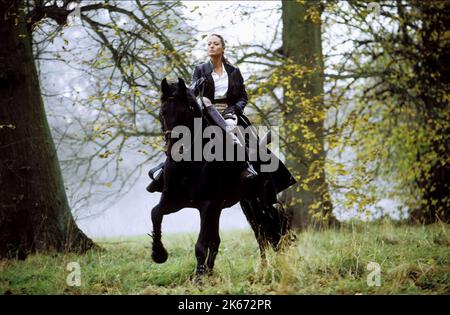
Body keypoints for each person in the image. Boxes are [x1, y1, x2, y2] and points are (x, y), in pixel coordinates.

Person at [147, 34, 257, 193]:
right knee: (183, 131)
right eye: (209, 44)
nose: (211, 46)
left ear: (223, 48)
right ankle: (165, 173)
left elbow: (243, 97)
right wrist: (186, 90)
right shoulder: (200, 69)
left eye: (215, 44)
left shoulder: (234, 72)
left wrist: (236, 109)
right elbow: (192, 91)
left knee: (234, 129)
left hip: (229, 112)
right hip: (206, 110)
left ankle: (246, 167)